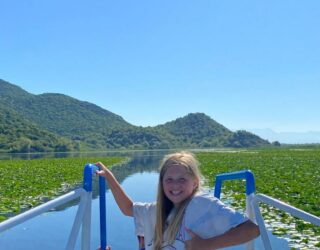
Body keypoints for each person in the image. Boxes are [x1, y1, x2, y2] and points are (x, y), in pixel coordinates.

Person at [95, 151, 260, 250]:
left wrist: (206, 245)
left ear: (195, 182)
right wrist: (110, 177)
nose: (175, 185)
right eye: (169, 179)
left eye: (182, 179)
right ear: (161, 182)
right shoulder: (158, 210)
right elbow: (128, 208)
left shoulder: (202, 204)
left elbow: (251, 229)